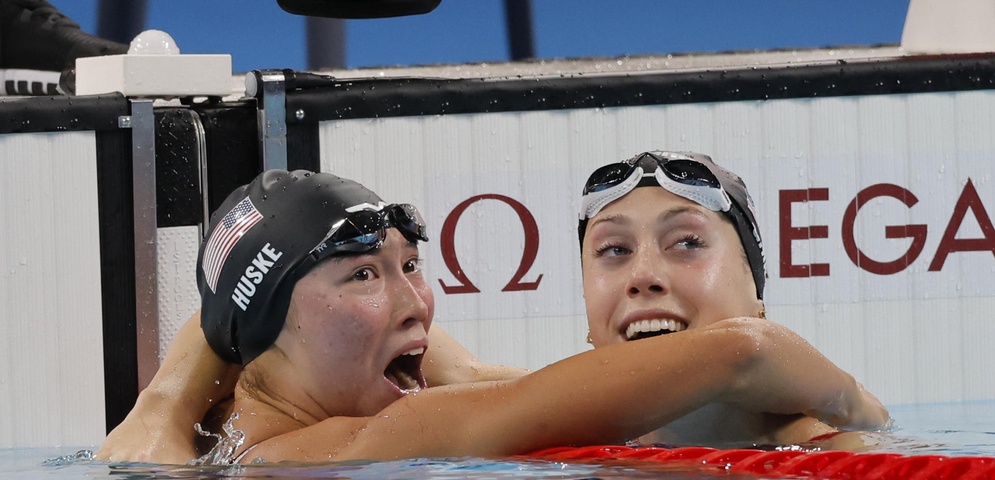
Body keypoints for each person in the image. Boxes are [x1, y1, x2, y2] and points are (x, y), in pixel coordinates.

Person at [99, 168, 886, 464]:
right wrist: (855, 406)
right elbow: (742, 353)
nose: (415, 301)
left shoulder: (261, 402)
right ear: (269, 329)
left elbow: (474, 376)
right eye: (365, 274)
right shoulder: (341, 447)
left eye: (412, 266)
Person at [577, 150, 864, 448]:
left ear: (755, 290)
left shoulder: (838, 455)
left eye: (687, 242)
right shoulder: (550, 447)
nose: (643, 276)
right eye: (614, 249)